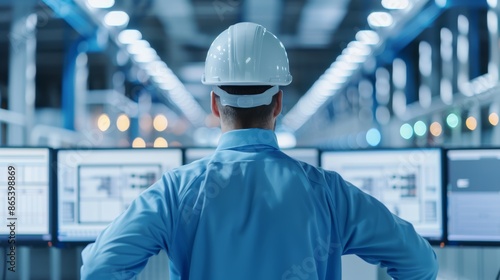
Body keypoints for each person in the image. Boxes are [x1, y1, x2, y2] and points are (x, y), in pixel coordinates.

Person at [80, 22, 438, 279]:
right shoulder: (330, 193)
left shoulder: (176, 192)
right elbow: (421, 263)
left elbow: (99, 268)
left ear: (215, 104)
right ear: (279, 102)